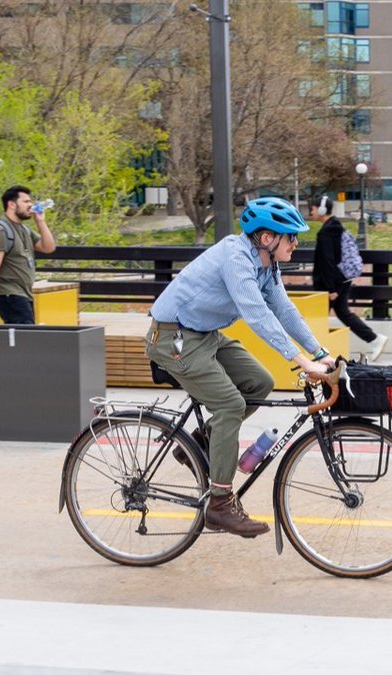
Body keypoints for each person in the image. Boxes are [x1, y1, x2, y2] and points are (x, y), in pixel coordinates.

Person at [146, 197, 336, 538]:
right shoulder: (236, 258)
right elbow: (256, 314)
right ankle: (219, 505)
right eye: (291, 236)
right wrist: (300, 361)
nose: (296, 243)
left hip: (203, 335)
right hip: (173, 339)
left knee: (258, 382)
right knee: (230, 405)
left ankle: (200, 444)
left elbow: (284, 310)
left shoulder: (267, 264)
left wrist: (320, 352)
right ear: (267, 238)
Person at [310, 195, 388, 361]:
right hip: (342, 280)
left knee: (315, 318)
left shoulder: (326, 232)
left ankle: (313, 353)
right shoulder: (337, 228)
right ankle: (374, 339)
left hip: (331, 284)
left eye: (314, 208)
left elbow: (327, 262)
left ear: (322, 210)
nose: (311, 211)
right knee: (342, 313)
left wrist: (331, 289)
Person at [0, 185, 56, 324]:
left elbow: (48, 247)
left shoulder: (24, 230)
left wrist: (40, 221)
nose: (30, 205)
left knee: (20, 339)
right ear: (12, 205)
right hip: (9, 294)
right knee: (26, 338)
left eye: (30, 201)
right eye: (25, 201)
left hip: (23, 294)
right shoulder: (0, 231)